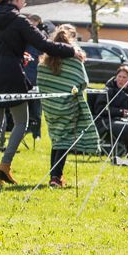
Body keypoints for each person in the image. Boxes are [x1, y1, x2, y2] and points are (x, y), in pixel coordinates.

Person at [0, 0, 81, 185]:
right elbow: (44, 44)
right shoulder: (19, 20)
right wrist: (72, 51)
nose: (23, 5)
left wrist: (17, 54)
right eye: (23, 1)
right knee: (21, 122)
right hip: (11, 75)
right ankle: (5, 165)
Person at [37, 24, 100, 187]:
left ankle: (54, 174)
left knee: (57, 139)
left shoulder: (45, 60)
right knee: (64, 140)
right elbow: (83, 81)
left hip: (50, 106)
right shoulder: (74, 59)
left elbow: (41, 82)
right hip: (68, 105)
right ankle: (56, 177)